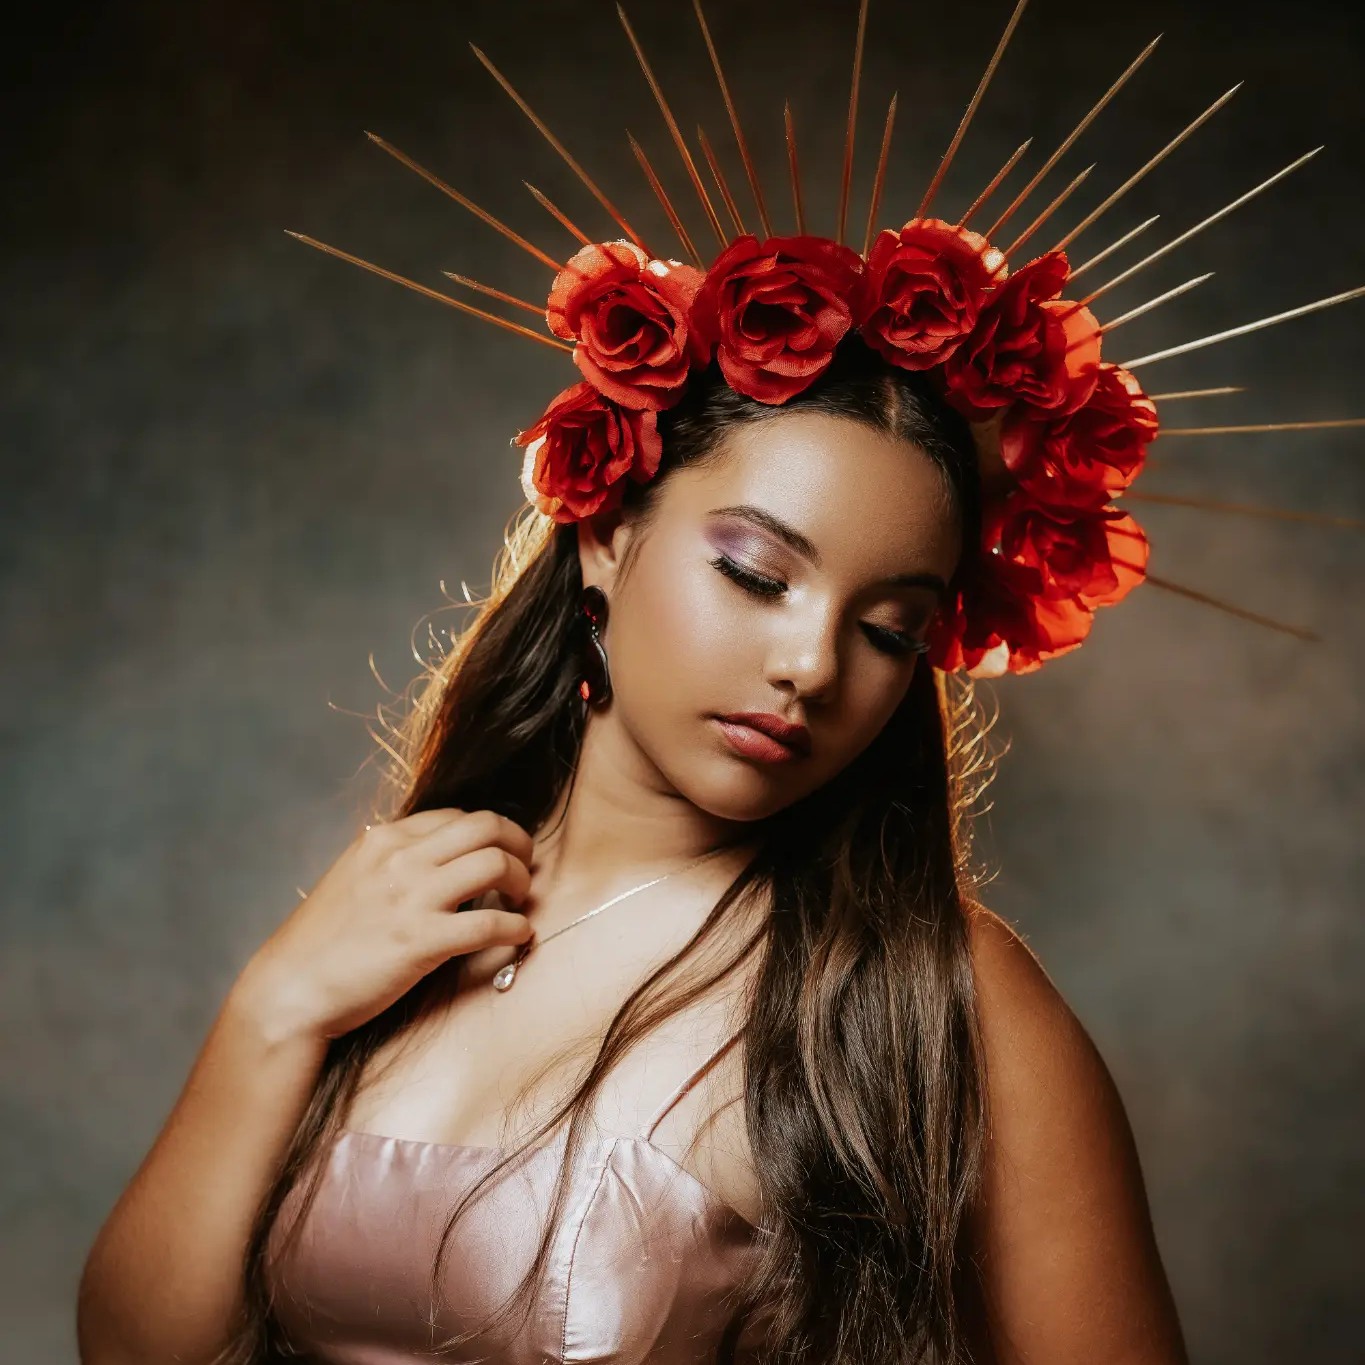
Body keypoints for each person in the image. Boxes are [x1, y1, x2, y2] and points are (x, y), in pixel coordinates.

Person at [76, 333, 1188, 1363]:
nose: (811, 665)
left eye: (887, 630)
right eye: (756, 575)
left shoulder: (940, 995)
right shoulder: (406, 906)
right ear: (607, 535)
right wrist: (273, 1012)